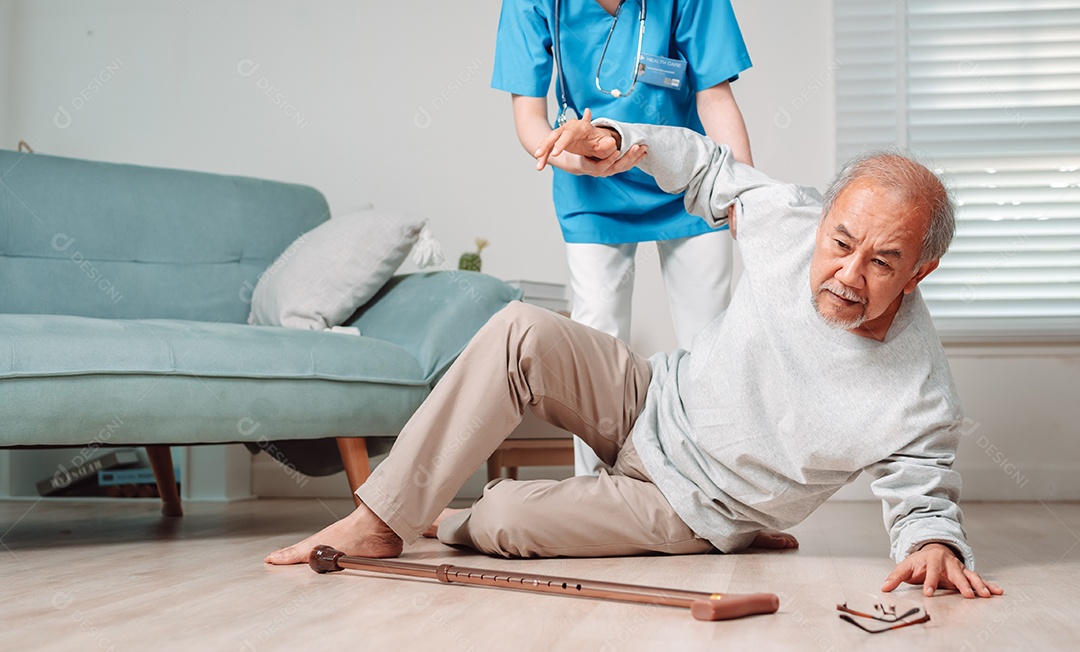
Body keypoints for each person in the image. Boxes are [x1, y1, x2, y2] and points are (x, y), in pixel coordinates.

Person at [267, 117, 1003, 600]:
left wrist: (934, 543)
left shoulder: (917, 392)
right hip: (650, 399)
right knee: (523, 328)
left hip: (694, 507)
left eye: (883, 261)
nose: (848, 273)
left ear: (919, 272)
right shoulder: (791, 219)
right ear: (824, 223)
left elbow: (922, 491)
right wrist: (623, 141)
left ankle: (452, 519)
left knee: (502, 515)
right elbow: (708, 168)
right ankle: (383, 520)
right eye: (841, 243)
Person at [492, 0, 754, 475]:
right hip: (588, 180)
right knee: (596, 341)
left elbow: (714, 96)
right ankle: (595, 488)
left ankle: (722, 491)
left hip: (685, 174)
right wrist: (577, 160)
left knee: (709, 338)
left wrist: (742, 191)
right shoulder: (532, 4)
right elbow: (530, 118)